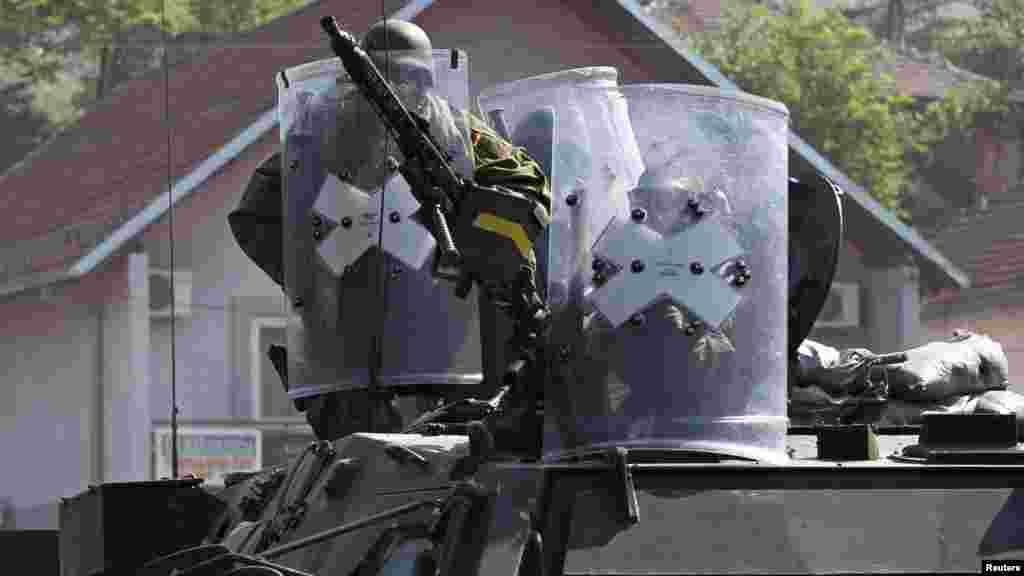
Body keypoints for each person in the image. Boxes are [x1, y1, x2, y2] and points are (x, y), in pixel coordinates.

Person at [229, 19, 550, 440]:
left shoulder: (463, 134)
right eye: (390, 78)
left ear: (429, 82)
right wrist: (318, 275)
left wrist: (471, 227)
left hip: (457, 326)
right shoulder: (321, 134)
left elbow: (528, 191)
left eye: (413, 78)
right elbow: (260, 214)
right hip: (360, 342)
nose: (404, 90)